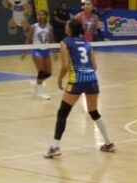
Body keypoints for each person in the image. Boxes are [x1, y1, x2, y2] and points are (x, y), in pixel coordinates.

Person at [46, 17, 115, 158]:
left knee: (63, 113)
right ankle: (109, 143)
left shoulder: (65, 43)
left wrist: (59, 79)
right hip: (92, 80)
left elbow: (65, 66)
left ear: (70, 29)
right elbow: (94, 66)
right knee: (94, 112)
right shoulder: (87, 43)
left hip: (76, 81)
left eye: (67, 25)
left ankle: (55, 147)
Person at [28, 8, 55, 100]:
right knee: (41, 72)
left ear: (46, 16)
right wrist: (24, 51)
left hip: (46, 50)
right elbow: (28, 39)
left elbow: (51, 39)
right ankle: (40, 92)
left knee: (49, 73)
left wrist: (55, 52)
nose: (40, 16)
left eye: (42, 14)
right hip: (36, 50)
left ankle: (37, 85)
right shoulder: (34, 27)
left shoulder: (49, 27)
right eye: (39, 14)